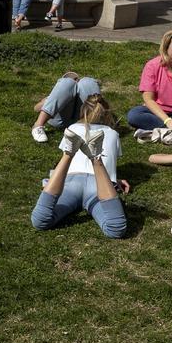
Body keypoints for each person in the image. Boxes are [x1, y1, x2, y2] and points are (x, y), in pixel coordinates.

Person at [31, 95, 130, 239]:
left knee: (40, 221)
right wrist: (113, 180)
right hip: (98, 185)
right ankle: (96, 158)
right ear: (107, 114)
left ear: (82, 111)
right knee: (115, 229)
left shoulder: (72, 128)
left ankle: (69, 153)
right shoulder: (113, 134)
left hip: (70, 181)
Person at [31, 72, 100, 143]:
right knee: (68, 83)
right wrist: (52, 98)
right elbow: (36, 108)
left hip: (84, 119)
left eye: (76, 80)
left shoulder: (82, 88)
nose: (75, 81)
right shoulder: (64, 89)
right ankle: (38, 126)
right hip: (62, 120)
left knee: (88, 82)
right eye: (74, 79)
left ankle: (94, 126)